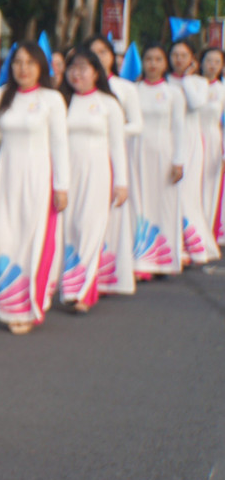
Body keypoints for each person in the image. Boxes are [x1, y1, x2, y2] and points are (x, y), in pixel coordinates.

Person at [0, 44, 69, 333]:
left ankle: (26, 307)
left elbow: (59, 143)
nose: (23, 68)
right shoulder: (0, 96)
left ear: (41, 66)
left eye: (30, 62)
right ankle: (3, 304)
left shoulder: (51, 99)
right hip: (6, 177)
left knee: (31, 240)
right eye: (17, 62)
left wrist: (61, 185)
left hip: (38, 178)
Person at [58, 46, 128, 312]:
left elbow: (117, 145)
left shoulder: (109, 104)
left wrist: (121, 182)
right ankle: (69, 283)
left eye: (83, 69)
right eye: (72, 68)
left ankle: (83, 292)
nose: (77, 74)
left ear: (96, 73)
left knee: (90, 226)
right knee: (70, 227)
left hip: (98, 172)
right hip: (67, 172)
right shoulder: (61, 101)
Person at [87, 35, 143, 294]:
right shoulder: (77, 90)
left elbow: (137, 124)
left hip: (115, 157)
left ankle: (109, 274)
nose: (98, 56)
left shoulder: (124, 88)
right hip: (85, 160)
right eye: (92, 52)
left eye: (103, 51)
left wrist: (112, 131)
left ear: (113, 57)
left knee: (112, 215)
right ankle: (84, 273)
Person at [132, 44, 185, 279]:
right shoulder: (133, 90)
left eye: (158, 59)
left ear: (165, 64)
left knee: (164, 204)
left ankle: (163, 260)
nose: (153, 64)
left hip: (164, 153)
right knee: (139, 203)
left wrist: (178, 160)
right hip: (136, 152)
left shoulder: (173, 93)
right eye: (148, 59)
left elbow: (179, 129)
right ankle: (141, 260)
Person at [167, 40, 220, 263]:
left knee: (188, 192)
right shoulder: (165, 81)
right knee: (168, 191)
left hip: (191, 140)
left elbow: (197, 103)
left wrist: (187, 78)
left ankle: (192, 244)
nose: (179, 59)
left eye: (184, 55)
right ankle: (173, 242)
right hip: (168, 140)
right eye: (175, 55)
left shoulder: (199, 83)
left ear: (192, 59)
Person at [201, 46, 225, 244]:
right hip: (192, 139)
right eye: (209, 60)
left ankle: (205, 236)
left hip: (213, 140)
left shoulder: (222, 90)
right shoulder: (192, 85)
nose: (212, 66)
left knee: (209, 187)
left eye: (217, 62)